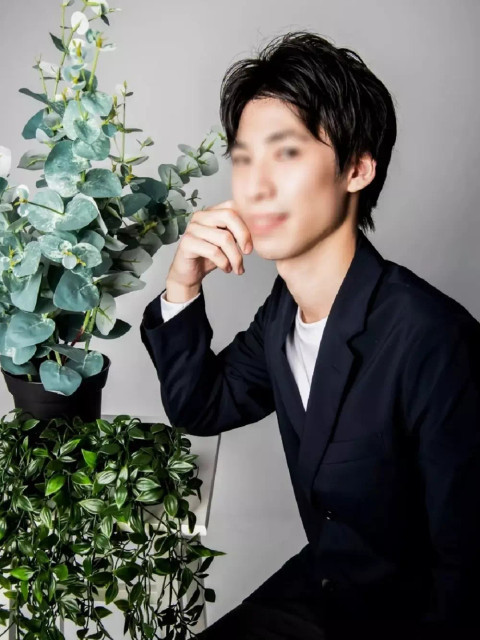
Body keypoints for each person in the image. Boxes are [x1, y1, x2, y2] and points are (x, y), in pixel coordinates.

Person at [140, 31, 480, 639]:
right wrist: (182, 282)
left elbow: (469, 569)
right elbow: (201, 405)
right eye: (243, 159)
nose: (255, 186)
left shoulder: (433, 339)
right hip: (326, 588)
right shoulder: (282, 313)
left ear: (357, 169)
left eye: (287, 153)